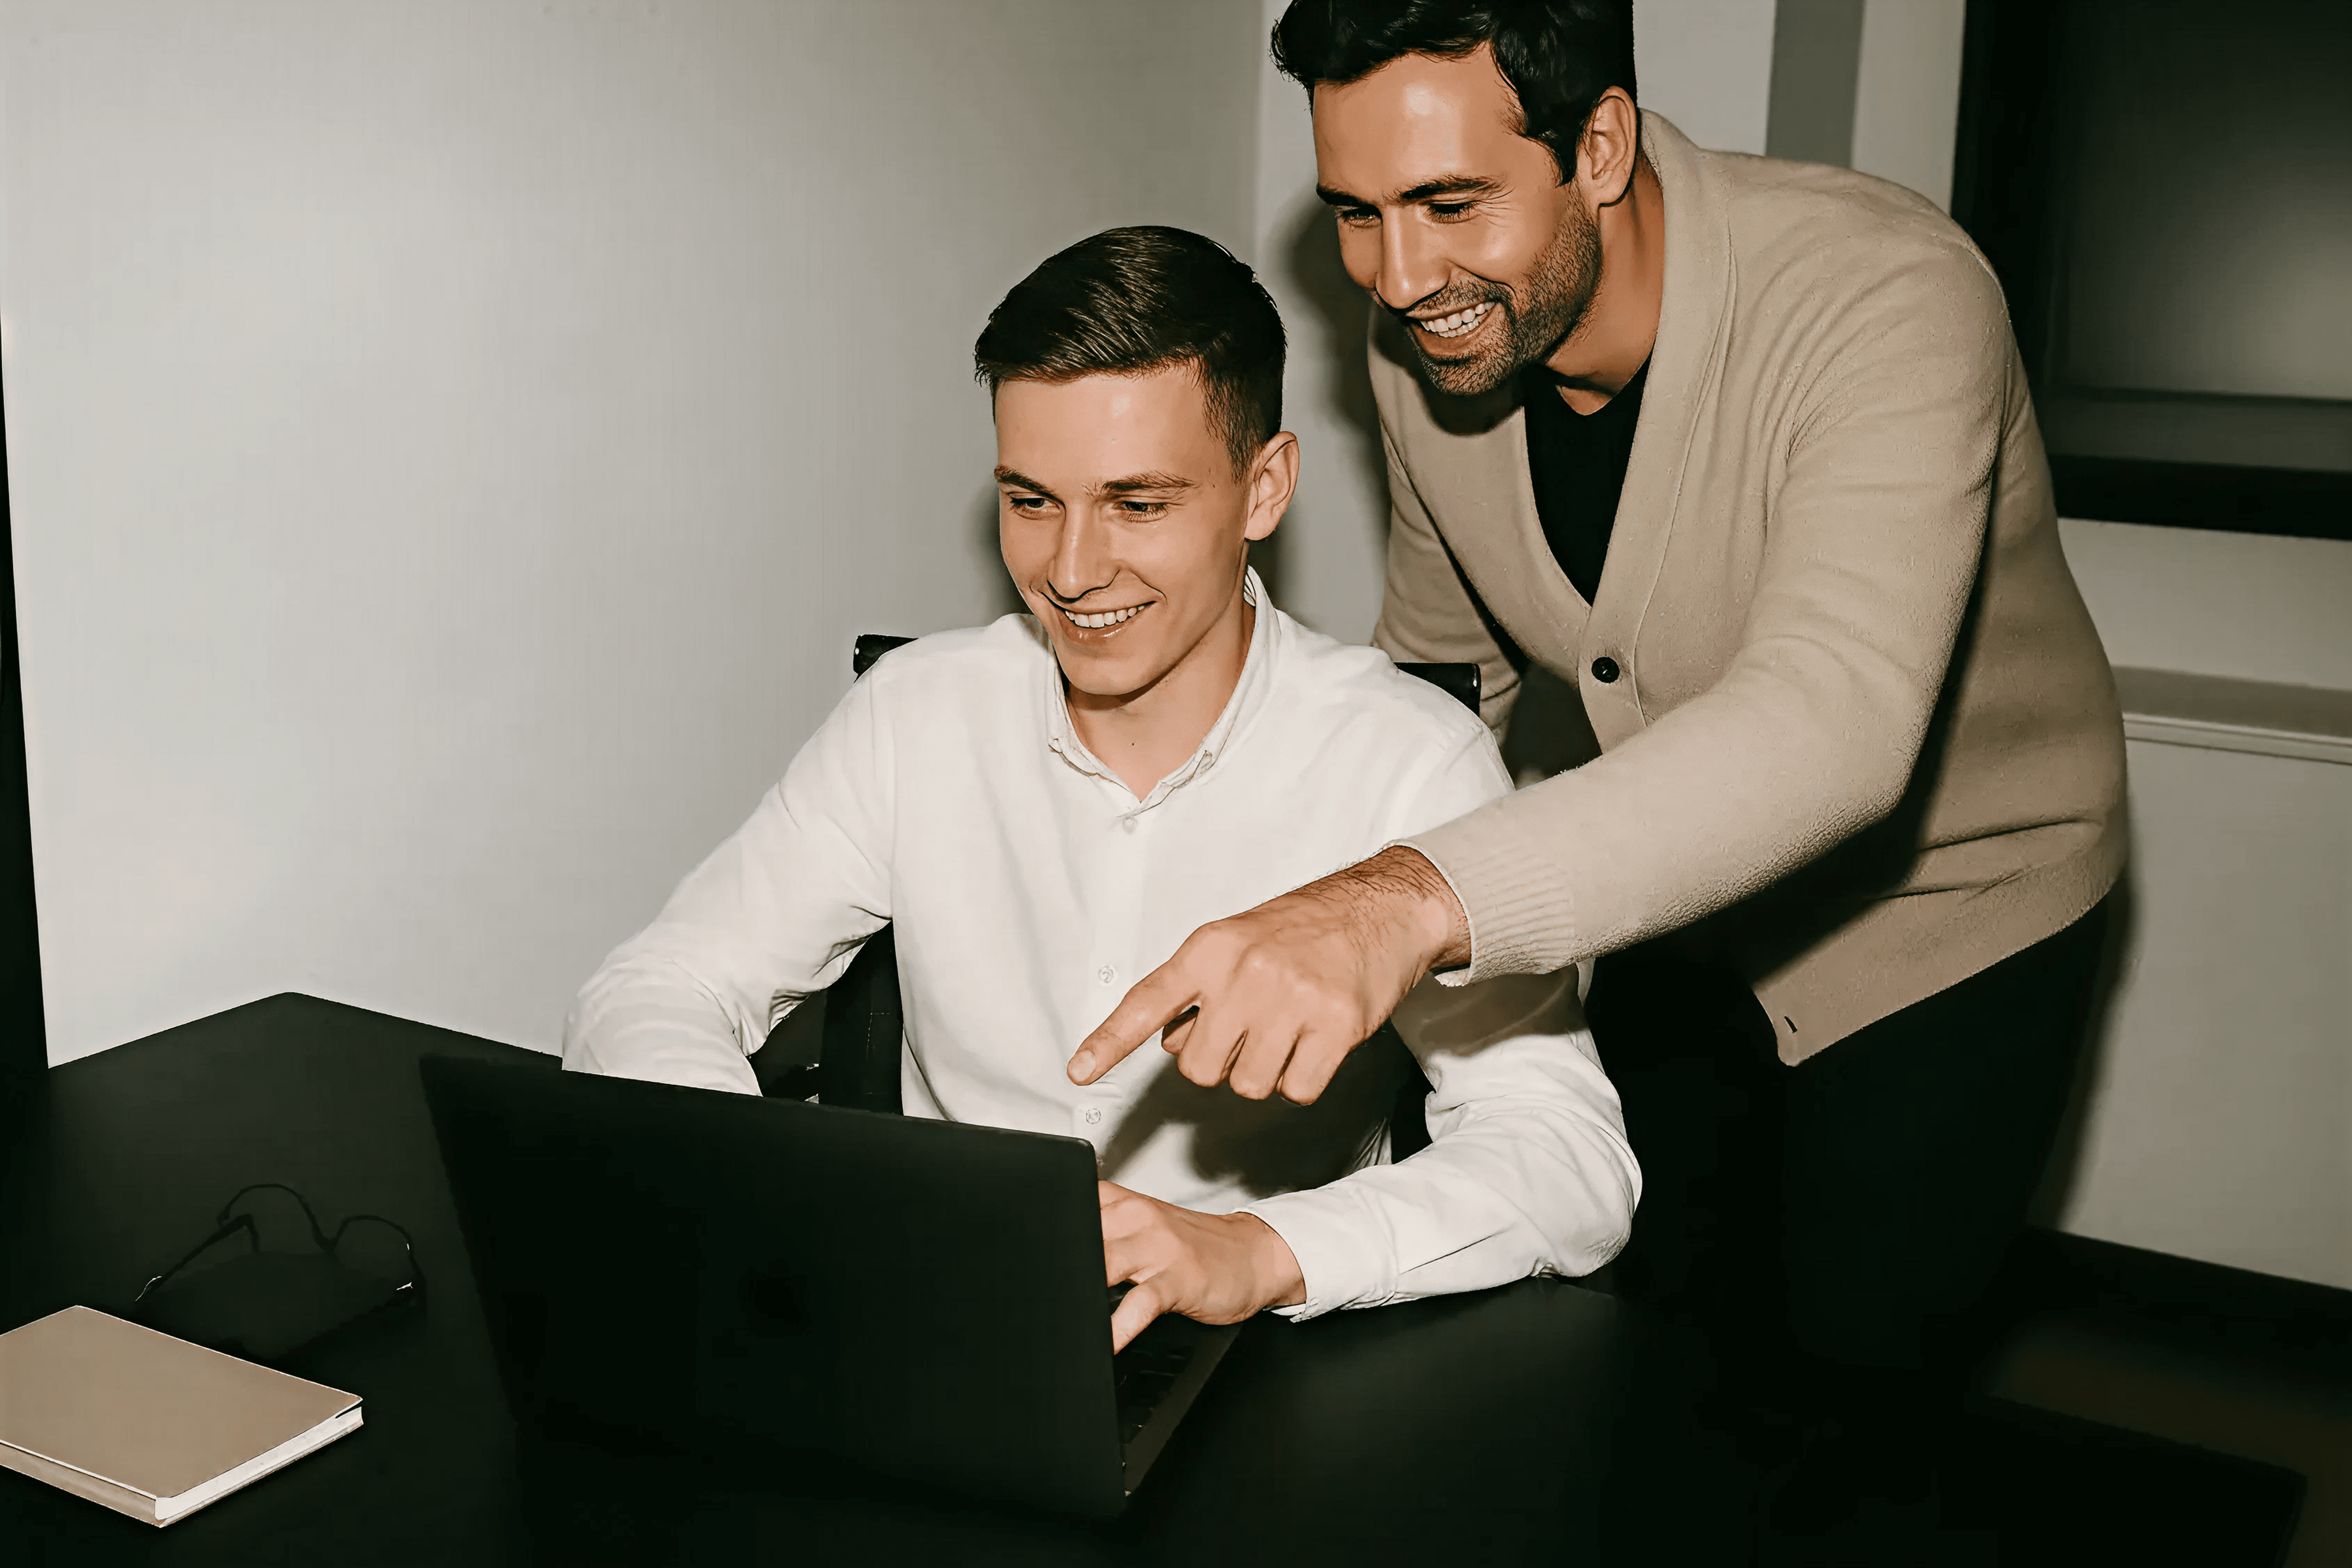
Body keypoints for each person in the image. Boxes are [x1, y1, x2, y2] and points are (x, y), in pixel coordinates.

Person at [1070, 0, 2126, 1529]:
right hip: (1661, 902)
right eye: (1355, 214)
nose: (1396, 275)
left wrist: (1397, 904)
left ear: (1602, 144)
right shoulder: (1429, 342)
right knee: (1632, 1353)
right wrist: (1276, 872)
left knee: (1849, 1403)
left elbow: (1834, 718)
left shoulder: (1888, 292)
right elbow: (1447, 673)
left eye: (1448, 204)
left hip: (1951, 909)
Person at [562, 225, 1637, 1353]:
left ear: (1264, 489)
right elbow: (654, 984)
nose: (1071, 573)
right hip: (928, 1326)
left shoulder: (1410, 760)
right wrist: (780, 1194)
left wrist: (1261, 1250)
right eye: (1032, 501)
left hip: (1261, 1362)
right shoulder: (915, 713)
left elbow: (1568, 1157)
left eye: (1138, 504)